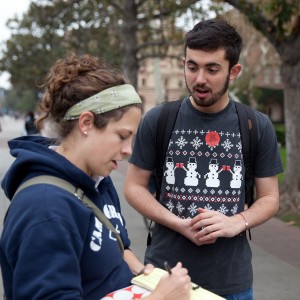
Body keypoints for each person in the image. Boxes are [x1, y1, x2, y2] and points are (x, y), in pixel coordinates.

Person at [0, 52, 191, 300]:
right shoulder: (45, 208)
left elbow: (118, 246)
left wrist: (143, 273)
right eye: (122, 136)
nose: (128, 150)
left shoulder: (98, 179)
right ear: (87, 123)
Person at [124, 19, 283, 300]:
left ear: (234, 71)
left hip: (232, 284)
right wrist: (177, 222)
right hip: (163, 277)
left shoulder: (256, 125)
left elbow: (270, 197)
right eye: (192, 66)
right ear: (184, 62)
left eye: (212, 69)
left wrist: (239, 221)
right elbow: (134, 187)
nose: (199, 79)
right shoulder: (158, 120)